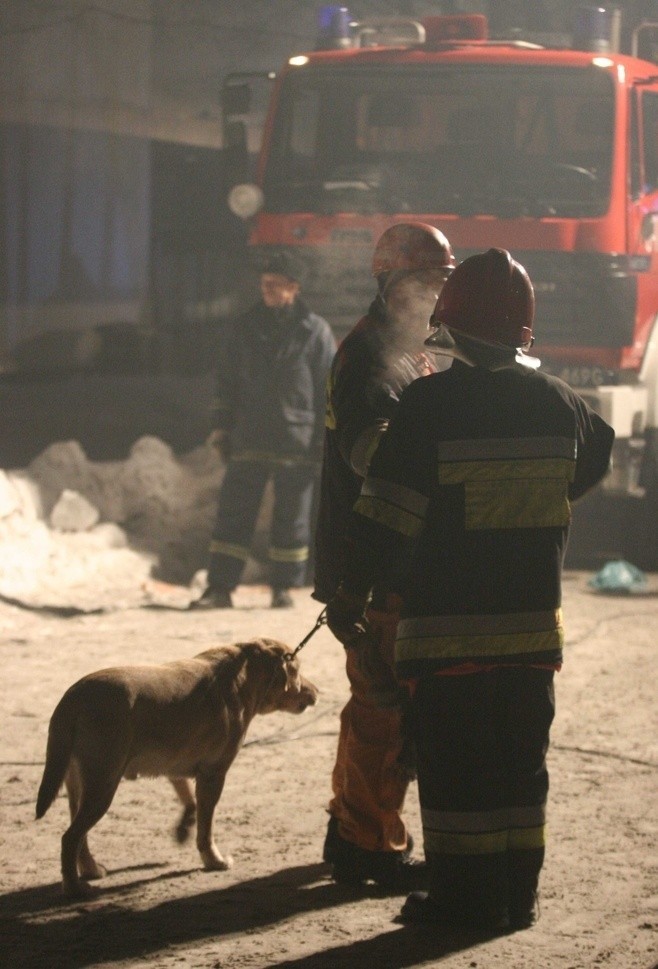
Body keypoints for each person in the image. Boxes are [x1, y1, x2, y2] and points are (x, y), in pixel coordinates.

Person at [327, 248, 614, 929]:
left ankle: (462, 902)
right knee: (520, 776)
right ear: (523, 331)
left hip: (449, 635)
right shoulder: (562, 404)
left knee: (459, 781)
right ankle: (517, 899)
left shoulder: (429, 406)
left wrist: (347, 590)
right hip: (533, 639)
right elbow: (592, 457)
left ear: (452, 329)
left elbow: (384, 518)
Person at [313, 222, 456, 887]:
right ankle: (367, 842)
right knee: (382, 707)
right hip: (373, 566)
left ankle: (356, 826)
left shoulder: (415, 348)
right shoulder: (372, 357)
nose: (436, 293)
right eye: (427, 280)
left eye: (442, 282)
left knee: (390, 704)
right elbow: (371, 458)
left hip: (400, 561)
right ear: (390, 281)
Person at [194, 251, 336, 609]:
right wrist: (220, 429)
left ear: (294, 288)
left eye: (274, 284)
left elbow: (327, 389)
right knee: (234, 515)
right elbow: (226, 383)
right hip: (250, 436)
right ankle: (219, 588)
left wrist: (324, 437)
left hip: (297, 441)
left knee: (292, 520)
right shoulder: (244, 328)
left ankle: (283, 587)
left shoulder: (315, 332)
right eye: (264, 284)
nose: (267, 290)